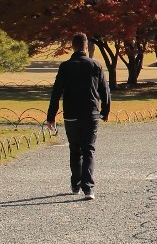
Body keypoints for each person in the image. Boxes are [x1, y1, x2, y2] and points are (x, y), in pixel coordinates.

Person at [45, 33, 111, 199]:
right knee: (88, 149)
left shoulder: (65, 67)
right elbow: (105, 91)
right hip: (90, 113)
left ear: (72, 46)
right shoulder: (95, 65)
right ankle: (88, 187)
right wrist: (105, 111)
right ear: (86, 46)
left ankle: (75, 184)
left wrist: (51, 116)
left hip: (71, 114)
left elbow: (56, 93)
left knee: (75, 149)